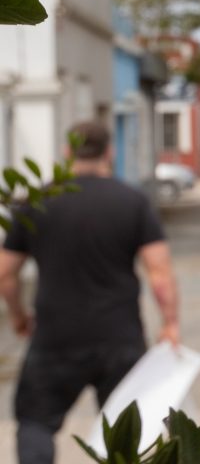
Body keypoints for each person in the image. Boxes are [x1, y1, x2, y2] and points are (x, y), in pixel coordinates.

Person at [0, 121, 180, 464]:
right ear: (109, 153)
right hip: (120, 338)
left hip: (55, 338)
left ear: (66, 152)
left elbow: (5, 274)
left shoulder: (36, 204)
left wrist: (19, 317)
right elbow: (160, 272)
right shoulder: (132, 202)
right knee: (128, 435)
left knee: (36, 422)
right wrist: (170, 323)